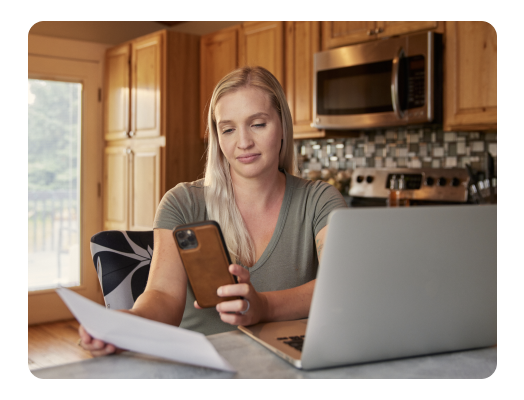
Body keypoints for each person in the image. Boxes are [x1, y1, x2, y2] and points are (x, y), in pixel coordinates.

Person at [78, 66, 347, 356]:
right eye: (228, 129)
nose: (243, 142)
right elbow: (163, 295)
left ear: (282, 125)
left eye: (257, 124)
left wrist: (263, 306)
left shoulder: (319, 200)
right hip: (202, 366)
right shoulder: (181, 202)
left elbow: (343, 284)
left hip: (289, 366)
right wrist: (130, 322)